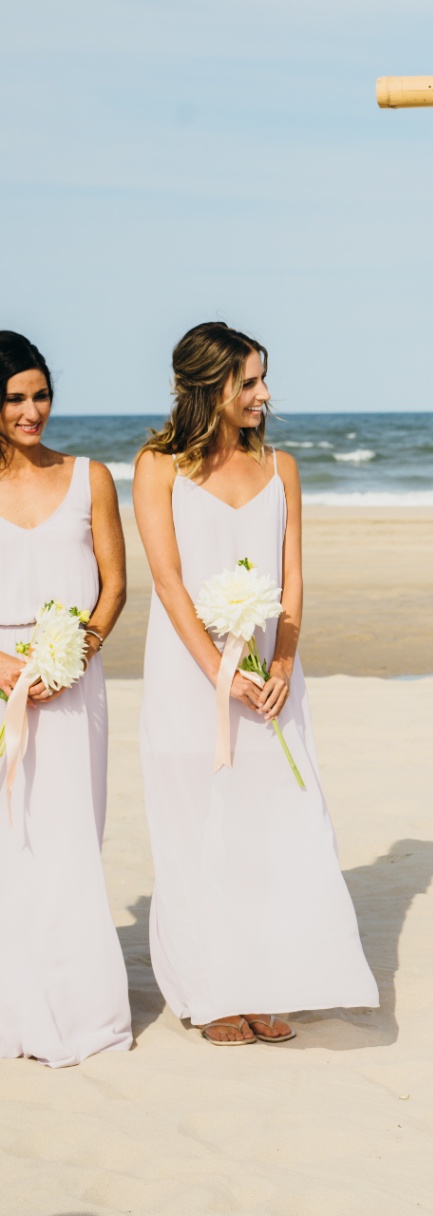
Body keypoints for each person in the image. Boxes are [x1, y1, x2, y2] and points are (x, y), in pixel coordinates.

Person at [134, 322, 377, 1047]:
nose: (265, 394)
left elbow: (293, 578)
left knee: (271, 828)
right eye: (249, 381)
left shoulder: (282, 468)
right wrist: (218, 674)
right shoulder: (157, 467)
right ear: (210, 387)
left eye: (264, 378)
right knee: (197, 827)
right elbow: (169, 580)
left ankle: (264, 980)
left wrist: (278, 666)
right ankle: (212, 993)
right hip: (189, 677)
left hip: (271, 682)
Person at [0, 331, 132, 1067]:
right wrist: (5, 667)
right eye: (16, 397)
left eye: (40, 394)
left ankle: (80, 1008)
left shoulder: (91, 478)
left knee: (71, 839)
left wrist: (70, 656)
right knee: (8, 842)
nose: (32, 410)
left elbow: (114, 587)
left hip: (74, 685)